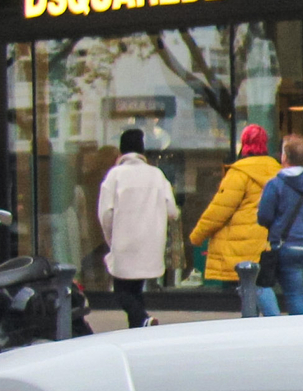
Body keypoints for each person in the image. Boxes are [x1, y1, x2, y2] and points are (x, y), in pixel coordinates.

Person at [190, 124, 282, 309]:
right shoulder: (277, 171)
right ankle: (266, 324)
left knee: (251, 287)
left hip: (240, 245)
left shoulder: (240, 173)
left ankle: (267, 323)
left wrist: (197, 235)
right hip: (266, 242)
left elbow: (219, 210)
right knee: (261, 285)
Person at [96, 128, 178, 329]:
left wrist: (111, 239)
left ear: (121, 151)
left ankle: (141, 320)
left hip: (124, 242)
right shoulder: (156, 175)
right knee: (135, 290)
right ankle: (139, 328)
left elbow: (105, 214)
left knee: (122, 291)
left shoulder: (115, 176)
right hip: (150, 243)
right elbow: (172, 211)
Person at [255, 135, 303, 315]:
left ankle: (294, 333)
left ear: (284, 157)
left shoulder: (276, 184)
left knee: (293, 293)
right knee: (300, 291)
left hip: (290, 246)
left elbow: (264, 216)